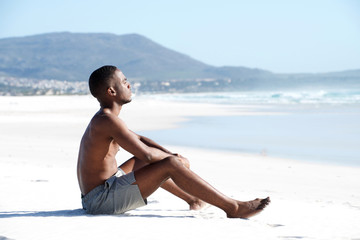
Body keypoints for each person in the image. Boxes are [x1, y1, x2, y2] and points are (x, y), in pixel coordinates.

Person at [77, 65, 270, 218]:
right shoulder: (107, 120)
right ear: (111, 91)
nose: (129, 85)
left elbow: (142, 140)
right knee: (167, 164)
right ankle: (233, 207)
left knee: (163, 161)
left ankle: (194, 199)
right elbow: (148, 154)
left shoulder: (107, 118)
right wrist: (174, 161)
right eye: (125, 81)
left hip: (104, 188)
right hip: (100, 200)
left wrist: (173, 156)